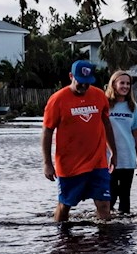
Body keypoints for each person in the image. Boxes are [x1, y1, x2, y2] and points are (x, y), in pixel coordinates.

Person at [42, 59, 117, 223]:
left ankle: (106, 244)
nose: (84, 86)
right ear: (71, 76)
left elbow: (106, 124)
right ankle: (60, 236)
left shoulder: (99, 96)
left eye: (87, 83)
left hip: (98, 162)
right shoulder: (57, 100)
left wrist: (113, 152)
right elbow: (47, 131)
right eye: (80, 82)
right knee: (65, 205)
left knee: (104, 205)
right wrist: (47, 163)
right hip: (70, 164)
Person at [105, 69, 137, 215]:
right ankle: (107, 229)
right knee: (111, 196)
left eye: (128, 84)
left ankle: (125, 231)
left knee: (125, 197)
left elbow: (136, 135)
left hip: (128, 158)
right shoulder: (106, 105)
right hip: (109, 158)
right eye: (122, 83)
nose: (125, 86)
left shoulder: (132, 107)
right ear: (114, 84)